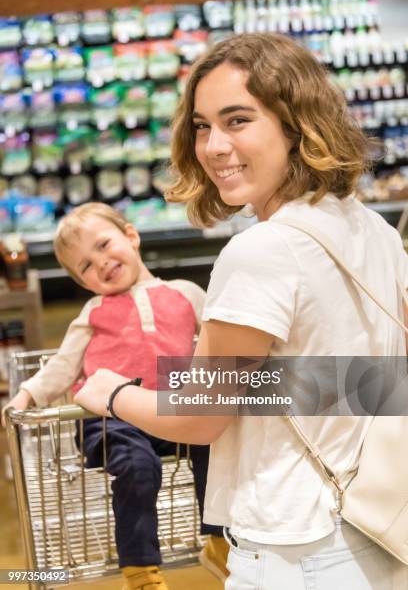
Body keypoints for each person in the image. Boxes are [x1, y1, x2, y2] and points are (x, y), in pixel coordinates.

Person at [73, 33, 408, 590]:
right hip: (375, 527)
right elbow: (372, 377)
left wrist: (109, 389)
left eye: (238, 120)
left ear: (296, 123)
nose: (214, 146)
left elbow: (202, 417)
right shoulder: (369, 227)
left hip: (294, 550)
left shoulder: (263, 250)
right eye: (203, 125)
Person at [1, 202, 227, 590]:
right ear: (83, 282)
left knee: (218, 447)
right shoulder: (93, 312)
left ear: (132, 236)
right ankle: (139, 571)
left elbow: (220, 339)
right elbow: (63, 365)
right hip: (111, 419)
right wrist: (25, 396)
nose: (100, 263)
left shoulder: (186, 293)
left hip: (172, 411)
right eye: (85, 266)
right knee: (137, 469)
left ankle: (220, 540)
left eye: (104, 245)